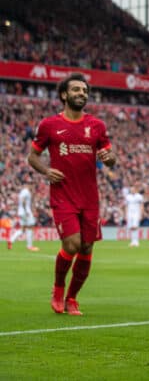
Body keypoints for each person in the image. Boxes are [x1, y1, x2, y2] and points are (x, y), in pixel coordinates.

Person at [27, 73, 116, 315]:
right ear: (64, 95)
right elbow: (32, 156)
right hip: (63, 195)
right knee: (72, 243)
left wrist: (109, 158)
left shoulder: (97, 126)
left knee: (87, 248)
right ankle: (58, 288)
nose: (81, 94)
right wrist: (46, 171)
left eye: (84, 91)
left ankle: (72, 298)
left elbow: (111, 157)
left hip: (90, 198)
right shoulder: (49, 125)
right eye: (76, 90)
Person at [9, 183, 39, 251]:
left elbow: (21, 201)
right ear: (29, 185)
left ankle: (11, 240)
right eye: (32, 185)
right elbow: (23, 201)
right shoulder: (26, 192)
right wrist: (26, 211)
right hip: (26, 212)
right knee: (30, 227)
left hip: (21, 212)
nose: (32, 187)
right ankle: (30, 246)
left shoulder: (23, 191)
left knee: (23, 229)